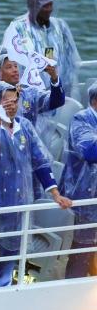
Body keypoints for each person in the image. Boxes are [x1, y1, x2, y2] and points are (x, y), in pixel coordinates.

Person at [0, 82, 72, 289]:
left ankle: (2, 304)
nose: (12, 106)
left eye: (15, 101)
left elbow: (40, 161)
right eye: (6, 101)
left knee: (8, 261)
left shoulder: (24, 126)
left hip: (17, 204)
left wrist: (55, 192)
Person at [6, 0, 82, 97]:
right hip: (31, 91)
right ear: (33, 7)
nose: (49, 9)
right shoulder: (19, 28)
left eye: (50, 5)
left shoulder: (60, 26)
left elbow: (71, 58)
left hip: (60, 87)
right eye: (45, 6)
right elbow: (14, 60)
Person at [61, 82, 97, 279]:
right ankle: (72, 300)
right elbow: (90, 151)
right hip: (85, 200)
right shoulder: (81, 119)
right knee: (82, 253)